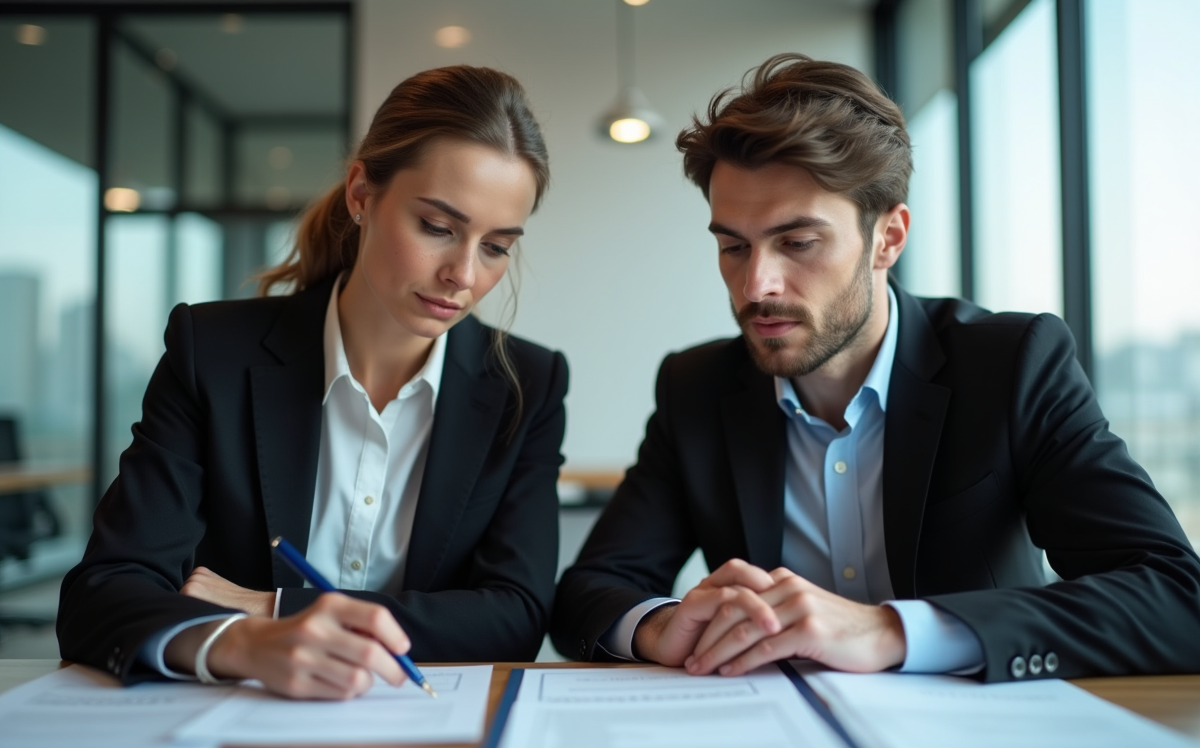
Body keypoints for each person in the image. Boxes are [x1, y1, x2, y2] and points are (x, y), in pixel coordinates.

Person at [551, 53, 1200, 683]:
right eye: (733, 246)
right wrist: (661, 624)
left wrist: (888, 632)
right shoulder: (697, 388)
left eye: (798, 242)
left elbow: (1175, 600)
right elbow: (589, 594)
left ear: (888, 238)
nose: (757, 284)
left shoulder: (1010, 363)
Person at [58, 65, 568, 699]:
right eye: (438, 228)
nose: (463, 274)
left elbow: (515, 617)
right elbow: (104, 591)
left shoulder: (529, 384)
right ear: (361, 193)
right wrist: (239, 643)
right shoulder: (211, 352)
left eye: (496, 246)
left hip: (424, 740)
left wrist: (274, 607)